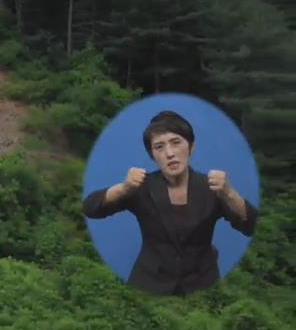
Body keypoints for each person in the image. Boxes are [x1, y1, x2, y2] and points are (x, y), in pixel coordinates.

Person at [82, 110, 259, 295]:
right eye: (159, 147)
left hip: (203, 287)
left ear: (191, 147)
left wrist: (229, 193)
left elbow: (252, 225)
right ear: (152, 156)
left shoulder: (213, 187)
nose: (169, 153)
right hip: (148, 285)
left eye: (176, 143)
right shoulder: (142, 187)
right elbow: (91, 208)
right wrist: (124, 188)